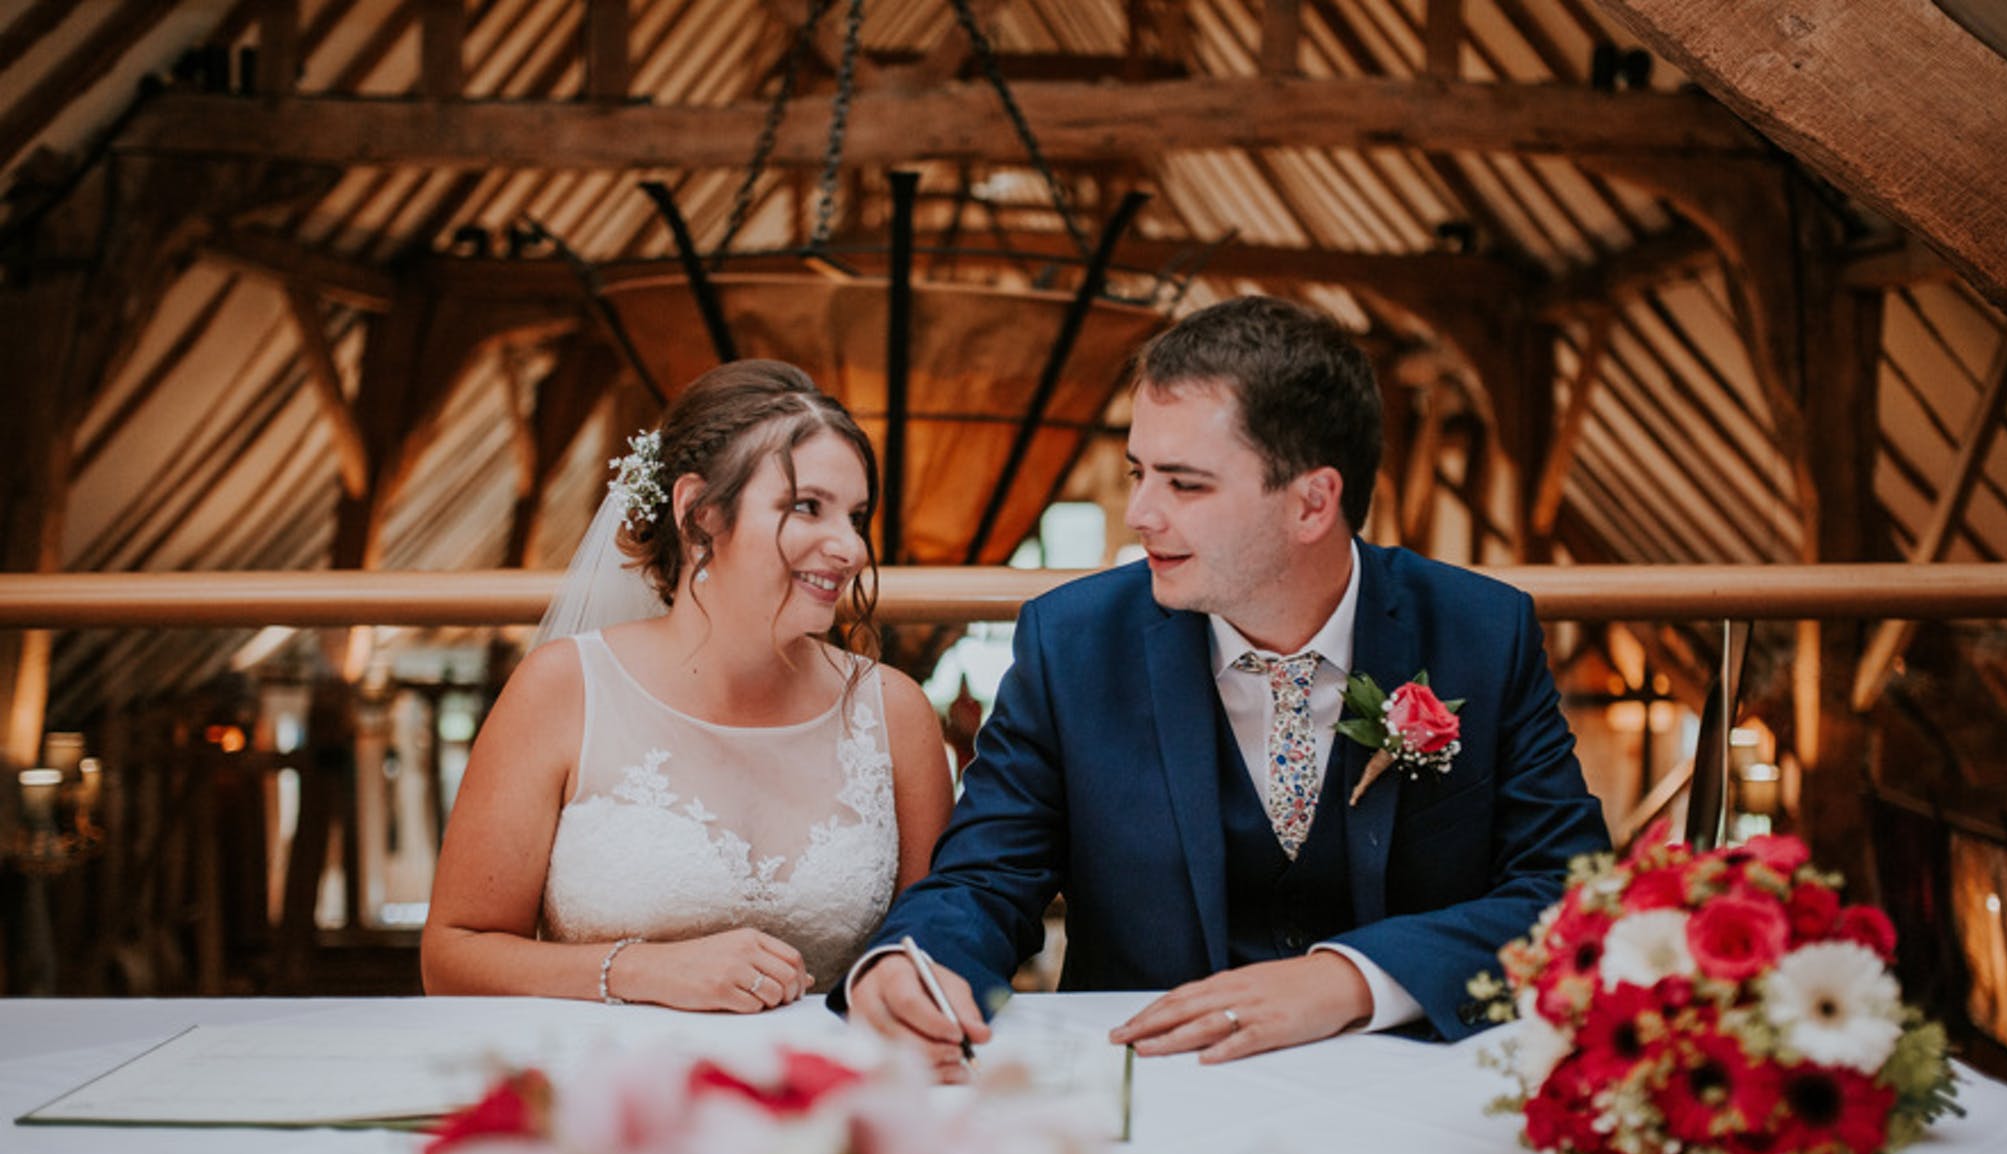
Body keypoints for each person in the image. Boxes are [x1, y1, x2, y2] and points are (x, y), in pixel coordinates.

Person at [843, 296, 1608, 1074]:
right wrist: (914, 963)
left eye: (1185, 484)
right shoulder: (1073, 644)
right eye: (1141, 473)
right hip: (1153, 1083)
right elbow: (986, 875)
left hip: (1409, 1077)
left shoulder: (1480, 632)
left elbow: (1570, 892)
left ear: (1313, 502)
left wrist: (1351, 978)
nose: (1140, 513)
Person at [423, 360, 953, 1011]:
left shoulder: (892, 712)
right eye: (807, 507)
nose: (849, 548)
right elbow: (452, 956)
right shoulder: (563, 689)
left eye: (856, 516)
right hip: (612, 1091)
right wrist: (638, 971)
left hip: (826, 1092)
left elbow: (937, 947)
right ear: (699, 512)